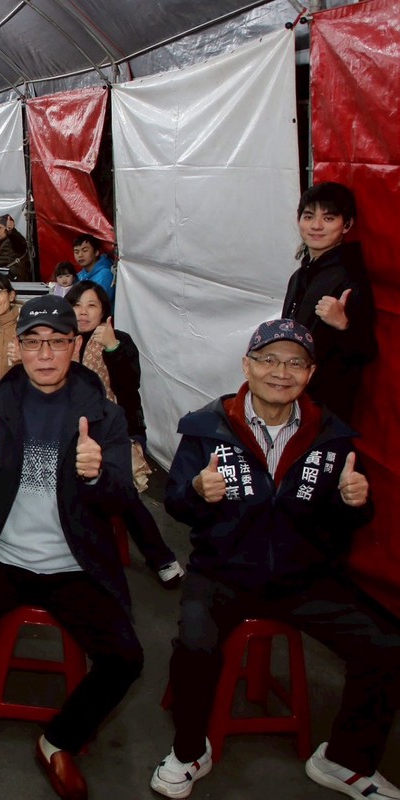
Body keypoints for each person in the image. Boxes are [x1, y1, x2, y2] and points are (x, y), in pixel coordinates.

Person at [151, 318, 400, 800]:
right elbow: (180, 505)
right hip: (223, 570)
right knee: (195, 643)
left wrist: (355, 503)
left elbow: (345, 522)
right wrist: (199, 492)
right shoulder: (207, 427)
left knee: (386, 645)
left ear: (309, 374)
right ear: (247, 365)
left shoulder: (331, 437)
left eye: (294, 362)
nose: (280, 371)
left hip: (303, 578)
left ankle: (344, 761)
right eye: (268, 359)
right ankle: (189, 751)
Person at [0, 295, 141, 799]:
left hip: (73, 563)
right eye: (34, 342)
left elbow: (122, 497)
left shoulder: (102, 415)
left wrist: (98, 474)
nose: (45, 354)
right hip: (2, 556)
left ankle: (59, 740)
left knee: (126, 658)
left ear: (75, 345)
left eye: (58, 343)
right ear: (18, 348)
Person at [64, 281, 183, 586]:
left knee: (120, 487)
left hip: (120, 429)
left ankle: (161, 558)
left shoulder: (120, 340)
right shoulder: (62, 340)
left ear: (104, 310)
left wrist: (113, 347)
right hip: (71, 430)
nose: (83, 312)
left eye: (92, 305)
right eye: (77, 305)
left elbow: (130, 388)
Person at [281, 181, 377, 424]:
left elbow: (366, 351)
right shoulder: (301, 274)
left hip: (325, 408)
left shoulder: (348, 275)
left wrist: (343, 324)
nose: (316, 226)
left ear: (347, 225)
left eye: (329, 218)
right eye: (309, 216)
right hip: (291, 396)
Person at [73, 234, 114, 299]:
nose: (80, 255)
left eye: (85, 250)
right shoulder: (78, 276)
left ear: (96, 252)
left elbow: (99, 303)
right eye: (76, 252)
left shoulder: (105, 274)